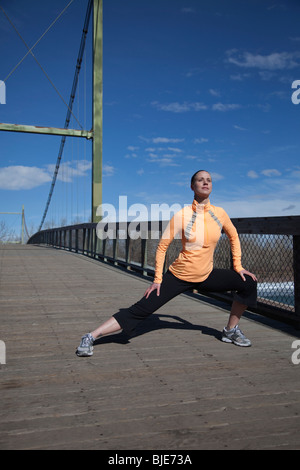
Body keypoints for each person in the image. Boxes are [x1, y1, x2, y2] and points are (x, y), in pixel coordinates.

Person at [76, 170, 257, 357]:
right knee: (140, 309)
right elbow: (162, 247)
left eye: (209, 180)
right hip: (179, 275)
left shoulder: (219, 213)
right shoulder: (182, 215)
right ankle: (91, 336)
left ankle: (230, 330)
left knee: (248, 282)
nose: (205, 183)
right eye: (200, 180)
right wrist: (157, 279)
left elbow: (233, 236)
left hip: (206, 274)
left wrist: (238, 266)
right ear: (192, 186)